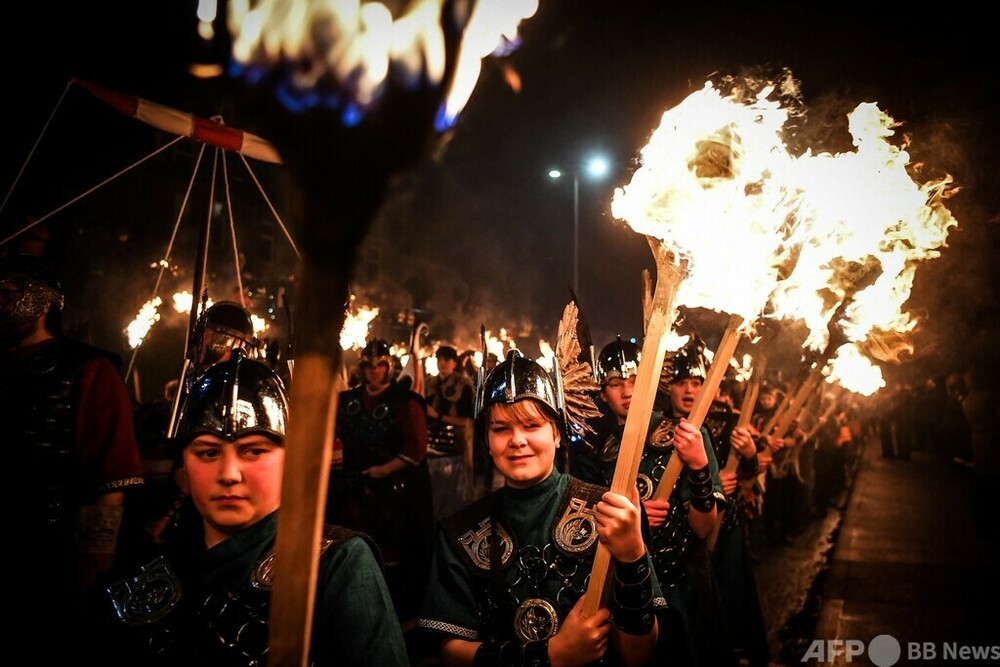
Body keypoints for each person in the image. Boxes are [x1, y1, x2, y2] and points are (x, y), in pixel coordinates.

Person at [99, 349, 408, 665]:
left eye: (253, 451)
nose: (229, 474)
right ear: (183, 467)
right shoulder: (147, 575)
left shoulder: (337, 564)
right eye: (208, 453)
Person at [417, 349, 664, 666]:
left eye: (532, 425)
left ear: (557, 433)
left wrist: (632, 555)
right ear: (487, 441)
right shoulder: (459, 533)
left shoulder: (608, 512)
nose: (517, 440)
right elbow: (451, 652)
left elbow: (638, 654)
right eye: (501, 428)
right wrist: (550, 656)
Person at [0, 253, 145, 661]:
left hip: (52, 550)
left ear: (43, 302)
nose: (1, 302)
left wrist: (94, 557)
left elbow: (111, 476)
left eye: (9, 293)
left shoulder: (89, 368)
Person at [574, 335, 733, 666]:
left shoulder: (687, 433)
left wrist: (699, 466)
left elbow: (704, 528)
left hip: (683, 588)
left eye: (635, 380)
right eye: (616, 383)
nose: (628, 391)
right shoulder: (592, 450)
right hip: (624, 597)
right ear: (603, 392)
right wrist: (635, 517)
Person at [330, 338, 435, 625]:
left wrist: (384, 470)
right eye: (369, 366)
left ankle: (391, 617)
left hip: (393, 496)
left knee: (393, 559)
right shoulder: (347, 400)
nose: (374, 371)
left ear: (389, 367)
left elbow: (416, 449)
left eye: (380, 366)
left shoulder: (406, 402)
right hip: (352, 492)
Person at [425, 344, 480, 504]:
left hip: (457, 446)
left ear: (454, 363)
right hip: (433, 447)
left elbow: (465, 421)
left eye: (447, 360)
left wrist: (437, 416)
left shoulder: (463, 385)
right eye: (439, 359)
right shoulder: (430, 383)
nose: (442, 363)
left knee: (458, 495)